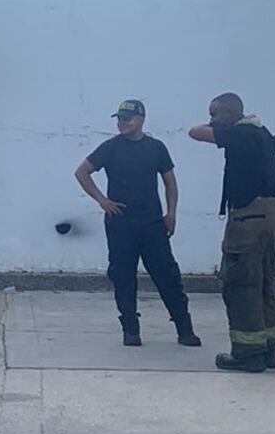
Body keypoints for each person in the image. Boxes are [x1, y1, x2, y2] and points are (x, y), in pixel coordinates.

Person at [75, 100, 201, 347]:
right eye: (119, 118)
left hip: (152, 224)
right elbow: (82, 172)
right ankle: (131, 330)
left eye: (127, 118)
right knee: (123, 276)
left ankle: (184, 329)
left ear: (141, 119)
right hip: (121, 224)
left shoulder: (156, 148)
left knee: (167, 275)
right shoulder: (110, 148)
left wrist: (171, 213)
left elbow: (170, 183)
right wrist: (102, 200)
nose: (122, 123)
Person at [191, 93, 275, 373]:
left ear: (231, 113)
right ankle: (269, 350)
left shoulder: (242, 133)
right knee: (264, 283)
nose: (211, 119)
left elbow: (195, 133)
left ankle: (247, 353)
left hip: (247, 219)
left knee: (241, 285)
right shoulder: (263, 134)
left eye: (215, 113)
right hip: (269, 214)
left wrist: (219, 128)